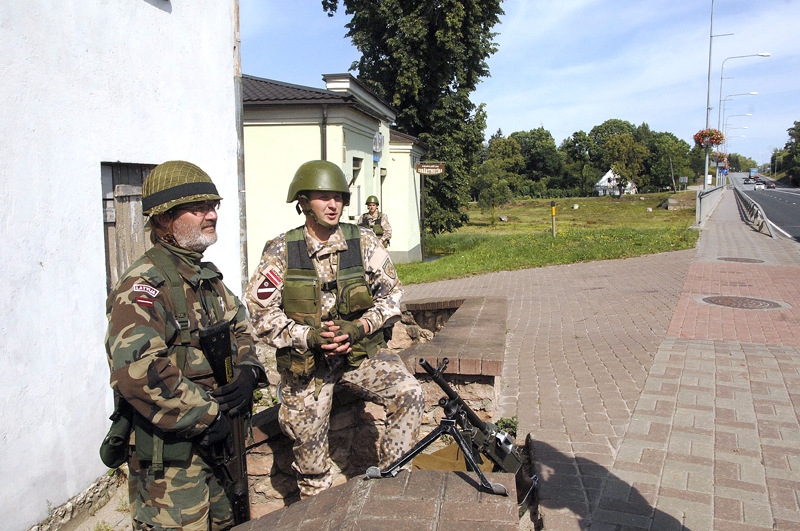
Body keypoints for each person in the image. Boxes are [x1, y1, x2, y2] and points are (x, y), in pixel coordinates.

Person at [245, 160, 424, 499]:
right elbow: (260, 312)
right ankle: (317, 510)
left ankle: (392, 487)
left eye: (339, 197)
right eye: (323, 197)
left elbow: (392, 296)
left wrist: (360, 327)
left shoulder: (364, 242)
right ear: (303, 202)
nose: (333, 205)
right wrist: (307, 337)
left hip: (360, 355)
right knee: (311, 458)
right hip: (309, 366)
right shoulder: (282, 250)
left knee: (409, 392)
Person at [104, 160, 266, 531]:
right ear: (164, 219)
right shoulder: (144, 286)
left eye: (213, 206)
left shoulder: (206, 278)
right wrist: (208, 416)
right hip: (174, 466)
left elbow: (241, 327)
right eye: (198, 208)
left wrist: (248, 371)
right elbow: (137, 371)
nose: (212, 215)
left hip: (221, 449)